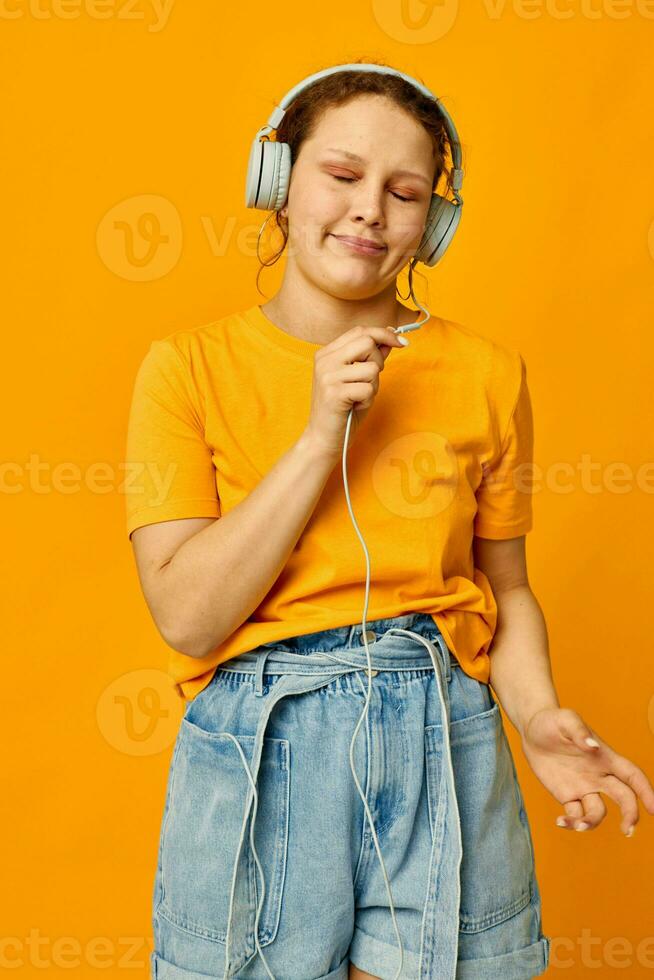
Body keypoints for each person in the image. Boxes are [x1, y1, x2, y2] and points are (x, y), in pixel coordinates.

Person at [125, 61, 654, 980]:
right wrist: (320, 429)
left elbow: (509, 587)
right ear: (276, 182)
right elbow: (187, 617)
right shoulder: (184, 369)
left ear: (432, 226)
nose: (370, 208)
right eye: (341, 175)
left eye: (404, 193)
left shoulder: (488, 373)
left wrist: (534, 720)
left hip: (443, 731)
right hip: (262, 739)